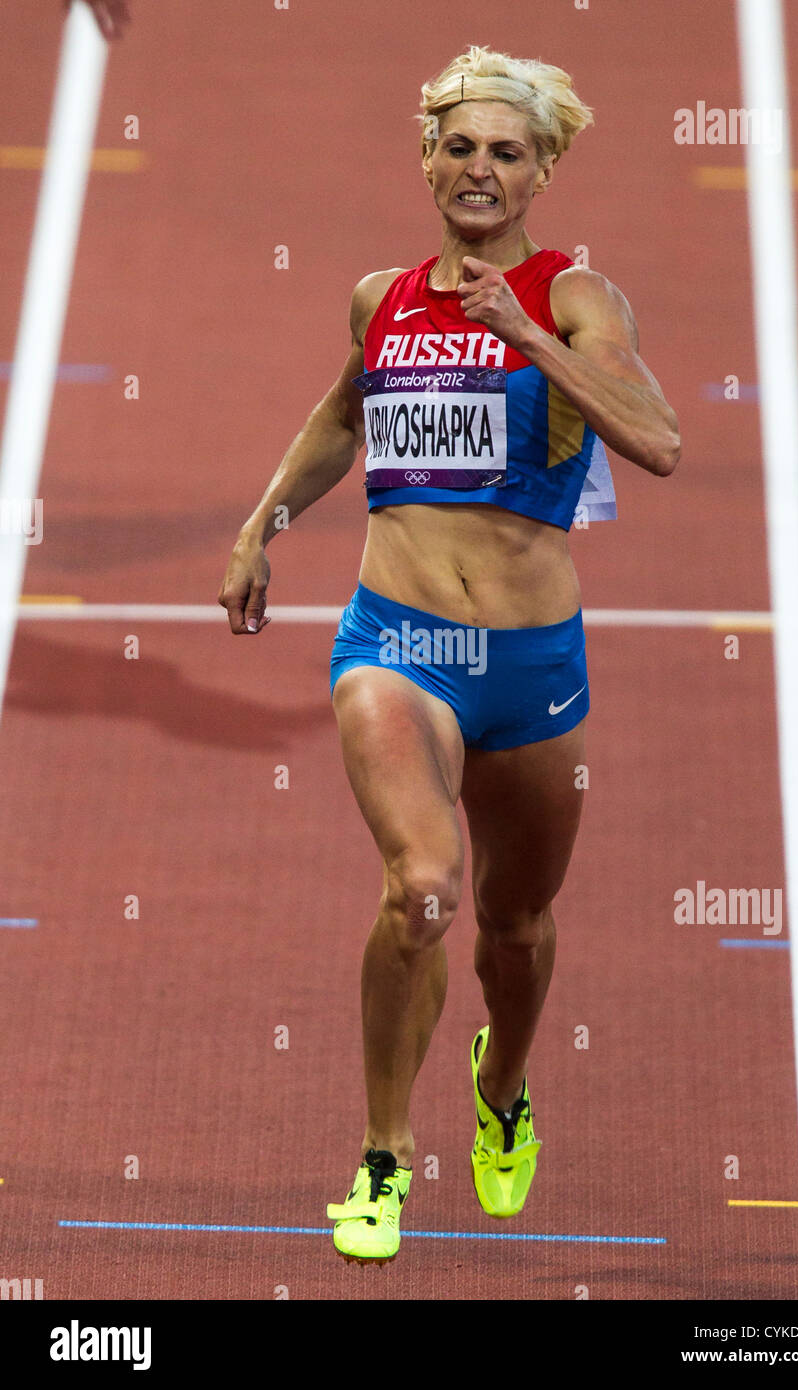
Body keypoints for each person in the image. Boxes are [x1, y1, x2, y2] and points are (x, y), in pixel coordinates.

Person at [218, 44, 680, 1265]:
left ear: (541, 170)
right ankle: (381, 1154)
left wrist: (526, 333)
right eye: (459, 146)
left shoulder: (575, 297)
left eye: (505, 152)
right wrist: (261, 524)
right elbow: (342, 411)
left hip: (531, 661)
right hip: (396, 642)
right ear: (427, 156)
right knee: (423, 889)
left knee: (516, 924)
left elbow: (658, 437)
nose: (479, 169)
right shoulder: (382, 295)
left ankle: (504, 1081)